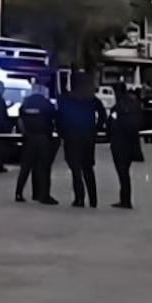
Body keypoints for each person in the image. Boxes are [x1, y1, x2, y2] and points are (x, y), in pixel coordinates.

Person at [58, 72, 106, 207]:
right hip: (87, 136)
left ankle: (79, 198)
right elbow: (102, 114)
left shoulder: (67, 99)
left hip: (72, 136)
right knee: (88, 168)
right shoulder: (91, 99)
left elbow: (60, 118)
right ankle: (93, 199)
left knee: (76, 169)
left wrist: (62, 133)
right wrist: (97, 129)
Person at [16, 83, 58, 205]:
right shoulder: (45, 103)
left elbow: (20, 116)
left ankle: (19, 193)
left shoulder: (26, 102)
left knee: (26, 167)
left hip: (28, 138)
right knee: (44, 167)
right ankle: (44, 195)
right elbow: (54, 115)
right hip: (43, 138)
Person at [108, 84, 144, 209]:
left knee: (122, 173)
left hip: (119, 144)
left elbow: (111, 124)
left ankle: (125, 200)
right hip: (132, 144)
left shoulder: (118, 107)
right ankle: (125, 199)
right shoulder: (135, 105)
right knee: (125, 173)